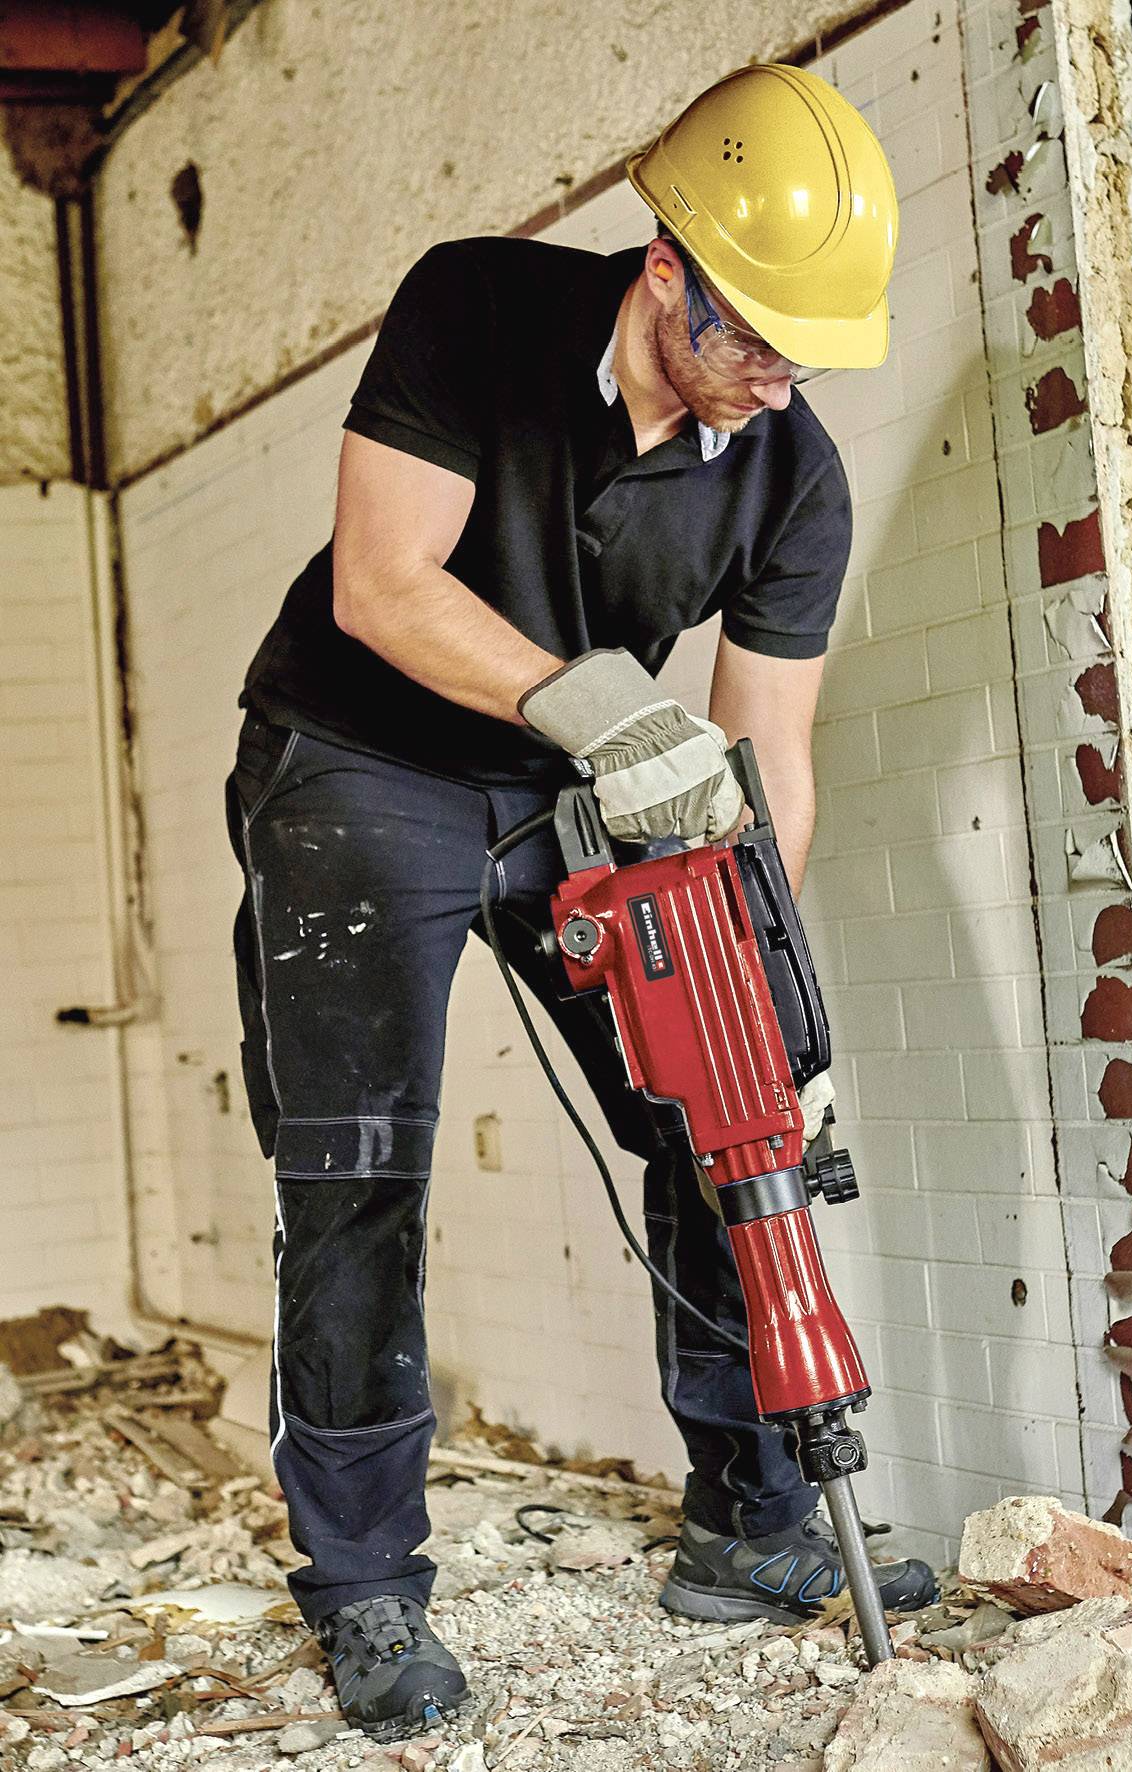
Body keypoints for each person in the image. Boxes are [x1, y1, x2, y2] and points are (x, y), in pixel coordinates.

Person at [226, 63, 935, 1741]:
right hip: (355, 758)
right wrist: (600, 701)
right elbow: (382, 586)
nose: (776, 382)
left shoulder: (790, 475)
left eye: (809, 354)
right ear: (667, 265)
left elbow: (768, 762)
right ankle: (368, 1588)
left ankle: (749, 1521)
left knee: (723, 1112)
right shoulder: (474, 307)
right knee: (358, 1171)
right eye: (754, 333)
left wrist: (778, 999)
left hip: (565, 794)